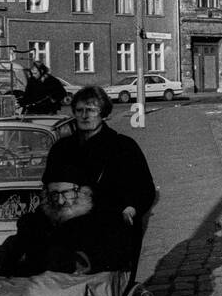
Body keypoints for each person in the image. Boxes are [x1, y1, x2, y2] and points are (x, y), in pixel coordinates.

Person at [0, 163, 136, 277]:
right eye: (54, 194)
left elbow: (115, 258)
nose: (60, 201)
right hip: (43, 293)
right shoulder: (35, 221)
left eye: (67, 193)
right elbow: (15, 250)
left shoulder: (104, 218)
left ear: (83, 192)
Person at [44, 85, 156, 231]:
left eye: (91, 110)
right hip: (68, 226)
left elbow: (145, 189)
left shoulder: (123, 146)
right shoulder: (61, 148)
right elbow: (48, 186)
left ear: (103, 113)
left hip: (111, 227)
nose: (84, 116)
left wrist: (131, 210)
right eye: (79, 110)